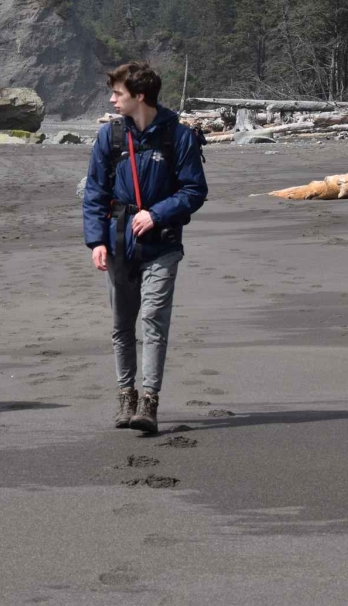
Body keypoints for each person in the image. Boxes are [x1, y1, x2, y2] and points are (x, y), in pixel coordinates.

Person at [82, 61, 207, 434]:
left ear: (139, 96)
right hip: (118, 243)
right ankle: (126, 397)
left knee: (153, 319)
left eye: (117, 93)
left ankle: (149, 402)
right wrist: (96, 241)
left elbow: (194, 190)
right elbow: (95, 192)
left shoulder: (179, 136)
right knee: (122, 325)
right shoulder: (109, 137)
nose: (112, 100)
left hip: (162, 246)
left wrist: (156, 214)